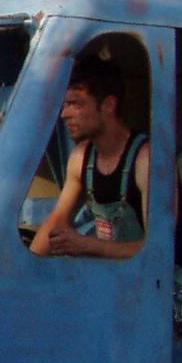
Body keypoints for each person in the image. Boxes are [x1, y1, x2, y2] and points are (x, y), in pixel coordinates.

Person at [31, 54, 150, 261]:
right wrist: (27, 265)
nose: (64, 114)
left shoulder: (146, 160)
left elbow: (157, 252)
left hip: (174, 279)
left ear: (108, 105)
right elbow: (56, 222)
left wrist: (85, 244)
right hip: (119, 275)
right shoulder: (80, 159)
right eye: (65, 104)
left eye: (75, 104)